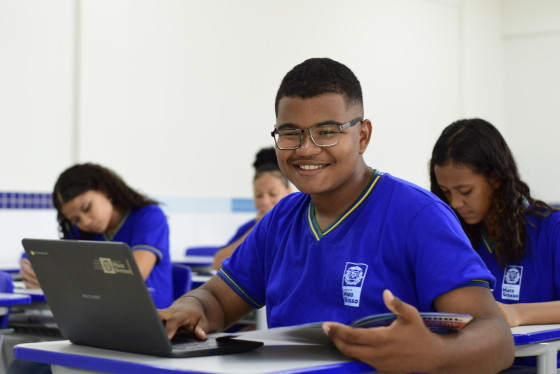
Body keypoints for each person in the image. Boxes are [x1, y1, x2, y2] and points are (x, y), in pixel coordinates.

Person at [158, 58, 514, 373]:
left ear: (362, 135)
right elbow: (218, 300)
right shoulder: (282, 218)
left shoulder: (419, 216)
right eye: (290, 132)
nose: (306, 148)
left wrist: (436, 353)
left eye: (327, 132)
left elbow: (496, 338)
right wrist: (190, 307)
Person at [430, 118, 560, 370]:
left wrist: (518, 314)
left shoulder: (551, 229)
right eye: (446, 192)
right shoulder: (455, 236)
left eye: (465, 191)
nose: (455, 203)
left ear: (497, 178)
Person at [19, 163, 173, 309]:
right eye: (76, 219)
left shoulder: (149, 217)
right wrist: (40, 274)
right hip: (103, 318)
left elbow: (130, 280)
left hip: (152, 319)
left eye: (87, 208)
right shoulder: (81, 232)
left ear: (103, 189)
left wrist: (58, 283)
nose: (85, 222)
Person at [212, 147, 292, 270]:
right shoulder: (249, 227)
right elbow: (218, 263)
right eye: (258, 195)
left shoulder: (298, 225)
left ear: (288, 192)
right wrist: (258, 227)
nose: (265, 201)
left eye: (273, 194)